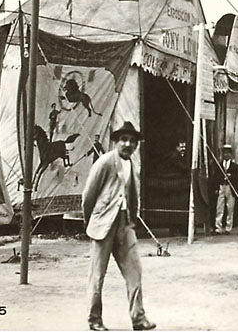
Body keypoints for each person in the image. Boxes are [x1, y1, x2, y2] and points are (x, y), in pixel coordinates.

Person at [81, 121, 156, 331]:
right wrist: (91, 223)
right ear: (116, 142)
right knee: (97, 275)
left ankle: (138, 318)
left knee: (135, 271)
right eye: (124, 139)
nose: (128, 144)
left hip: (124, 224)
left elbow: (133, 196)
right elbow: (88, 196)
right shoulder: (104, 162)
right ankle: (94, 319)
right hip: (103, 224)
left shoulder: (132, 164)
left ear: (136, 145)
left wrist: (132, 221)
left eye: (132, 141)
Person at [213, 144, 238, 235]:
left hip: (230, 188)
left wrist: (231, 176)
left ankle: (228, 228)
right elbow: (216, 177)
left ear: (231, 154)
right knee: (219, 208)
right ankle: (218, 227)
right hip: (221, 186)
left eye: (228, 153)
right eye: (224, 153)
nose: (226, 155)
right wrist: (216, 188)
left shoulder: (235, 166)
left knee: (230, 208)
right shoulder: (219, 165)